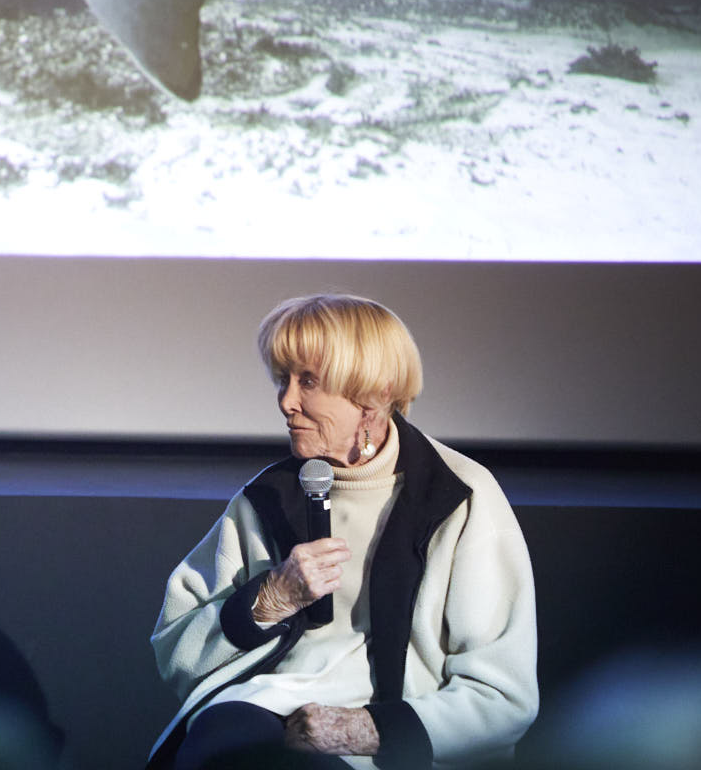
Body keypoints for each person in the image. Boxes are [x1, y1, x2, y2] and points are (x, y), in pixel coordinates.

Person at [148, 294, 537, 770]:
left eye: (307, 381)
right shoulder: (268, 497)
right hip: (269, 706)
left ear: (371, 398)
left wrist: (364, 729)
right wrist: (269, 599)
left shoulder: (457, 497)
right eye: (283, 379)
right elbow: (176, 654)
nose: (286, 401)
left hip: (396, 725)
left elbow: (502, 697)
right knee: (220, 744)